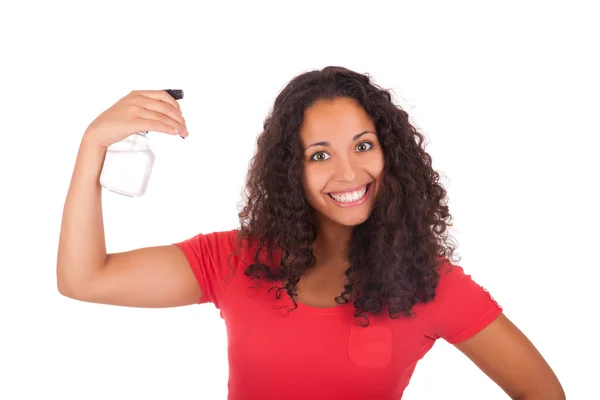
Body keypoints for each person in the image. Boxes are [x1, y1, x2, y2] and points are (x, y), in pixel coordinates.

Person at [56, 66, 565, 399]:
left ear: (390, 153)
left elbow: (544, 394)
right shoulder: (236, 259)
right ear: (290, 171)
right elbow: (85, 279)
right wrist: (93, 144)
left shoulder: (429, 284)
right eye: (319, 155)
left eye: (363, 146)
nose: (348, 173)